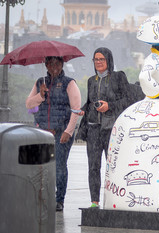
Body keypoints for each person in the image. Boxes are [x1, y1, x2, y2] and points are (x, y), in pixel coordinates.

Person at [26, 56, 81, 211]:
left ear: (62, 64)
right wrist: (41, 95)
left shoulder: (69, 83)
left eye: (57, 63)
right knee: (41, 166)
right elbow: (29, 105)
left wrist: (68, 131)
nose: (54, 67)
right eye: (50, 63)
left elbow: (76, 109)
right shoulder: (40, 83)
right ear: (46, 65)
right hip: (43, 132)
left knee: (59, 167)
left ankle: (59, 199)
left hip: (61, 133)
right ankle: (43, 197)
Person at [76, 47, 130, 208]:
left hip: (111, 130)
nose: (98, 62)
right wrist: (83, 109)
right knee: (93, 166)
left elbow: (128, 100)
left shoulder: (118, 77)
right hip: (93, 129)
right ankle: (94, 202)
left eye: (102, 59)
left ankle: (115, 200)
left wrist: (110, 106)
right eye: (96, 59)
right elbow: (91, 101)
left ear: (109, 61)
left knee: (112, 166)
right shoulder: (91, 80)